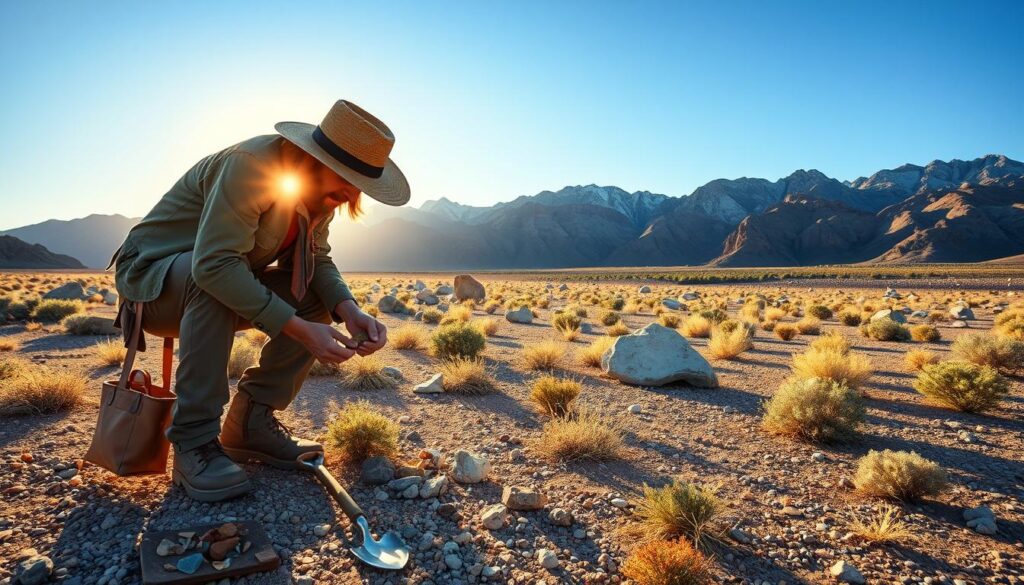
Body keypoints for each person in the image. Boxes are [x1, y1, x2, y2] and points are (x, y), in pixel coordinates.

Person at [110, 100, 409, 501]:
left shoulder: (323, 193)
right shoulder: (251, 165)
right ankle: (194, 442)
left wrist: (349, 310)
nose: (352, 192)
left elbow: (316, 258)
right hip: (152, 284)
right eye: (347, 177)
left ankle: (250, 425)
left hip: (211, 278)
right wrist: (299, 330)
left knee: (313, 296)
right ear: (315, 157)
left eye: (361, 184)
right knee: (215, 278)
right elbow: (214, 265)